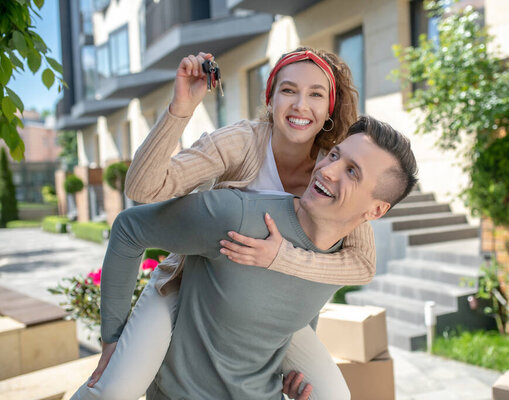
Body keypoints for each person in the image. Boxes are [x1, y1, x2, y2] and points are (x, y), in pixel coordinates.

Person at [75, 47, 374, 400]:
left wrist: (279, 260)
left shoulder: (332, 172)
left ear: (328, 110)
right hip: (193, 289)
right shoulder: (243, 143)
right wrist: (181, 108)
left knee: (333, 396)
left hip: (272, 313)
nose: (300, 105)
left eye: (315, 94)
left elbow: (359, 263)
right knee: (114, 391)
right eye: (288, 91)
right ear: (271, 97)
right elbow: (142, 189)